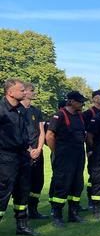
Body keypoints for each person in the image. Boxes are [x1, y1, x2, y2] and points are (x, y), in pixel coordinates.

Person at [0, 78, 39, 236]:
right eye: (22, 90)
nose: (25, 92)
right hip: (5, 157)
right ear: (10, 92)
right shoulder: (1, 110)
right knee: (2, 193)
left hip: (22, 157)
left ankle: (22, 226)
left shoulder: (21, 110)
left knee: (23, 191)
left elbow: (23, 134)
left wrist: (30, 150)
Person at [46, 91, 88, 226]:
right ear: (71, 101)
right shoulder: (59, 116)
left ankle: (73, 214)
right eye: (80, 101)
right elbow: (50, 136)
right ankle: (57, 215)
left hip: (78, 155)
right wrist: (56, 152)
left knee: (77, 185)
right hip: (64, 156)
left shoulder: (80, 116)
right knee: (62, 185)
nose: (82, 104)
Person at [22, 82, 47, 220]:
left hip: (38, 152)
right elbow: (17, 134)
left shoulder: (36, 111)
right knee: (24, 182)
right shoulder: (17, 110)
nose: (34, 92)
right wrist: (29, 150)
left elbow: (41, 132)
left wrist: (39, 148)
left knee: (38, 182)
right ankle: (22, 211)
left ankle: (33, 210)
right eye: (32, 90)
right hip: (24, 153)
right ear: (24, 92)